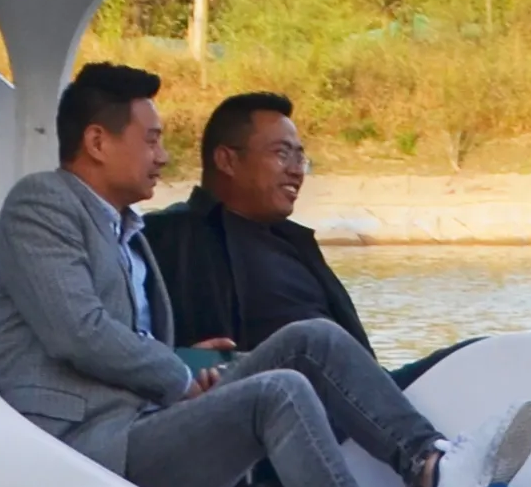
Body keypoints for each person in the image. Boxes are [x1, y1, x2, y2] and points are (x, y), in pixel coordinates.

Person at [0, 61, 531, 487]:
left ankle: (432, 464)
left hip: (149, 421)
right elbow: (76, 332)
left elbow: (117, 338)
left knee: (310, 339)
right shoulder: (42, 204)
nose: (164, 156)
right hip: (87, 447)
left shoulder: (130, 231)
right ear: (98, 142)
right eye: (151, 140)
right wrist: (176, 374)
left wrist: (180, 361)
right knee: (280, 390)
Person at [142, 90, 378, 361]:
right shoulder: (172, 236)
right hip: (283, 392)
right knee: (317, 337)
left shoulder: (293, 241)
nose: (296, 170)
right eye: (282, 154)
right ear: (227, 161)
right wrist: (191, 364)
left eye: (300, 158)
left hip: (365, 385)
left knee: (440, 362)